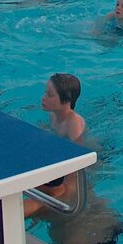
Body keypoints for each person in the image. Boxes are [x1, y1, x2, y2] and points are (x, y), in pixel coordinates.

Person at [23, 73, 86, 218]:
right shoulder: (53, 115)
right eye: (45, 92)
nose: (43, 97)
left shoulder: (73, 123)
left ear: (66, 100)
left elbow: (78, 153)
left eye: (50, 95)